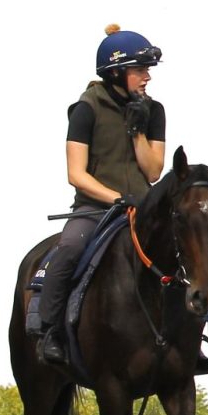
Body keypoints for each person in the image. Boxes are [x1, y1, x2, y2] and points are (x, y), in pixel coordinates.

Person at [33, 26, 167, 365]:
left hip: (142, 207)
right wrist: (116, 199)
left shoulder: (154, 110)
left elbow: (153, 172)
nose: (147, 77)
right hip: (95, 208)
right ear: (117, 72)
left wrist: (138, 132)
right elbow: (75, 175)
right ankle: (51, 332)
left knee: (183, 247)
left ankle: (188, 339)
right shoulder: (86, 109)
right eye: (140, 70)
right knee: (69, 248)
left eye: (148, 70)